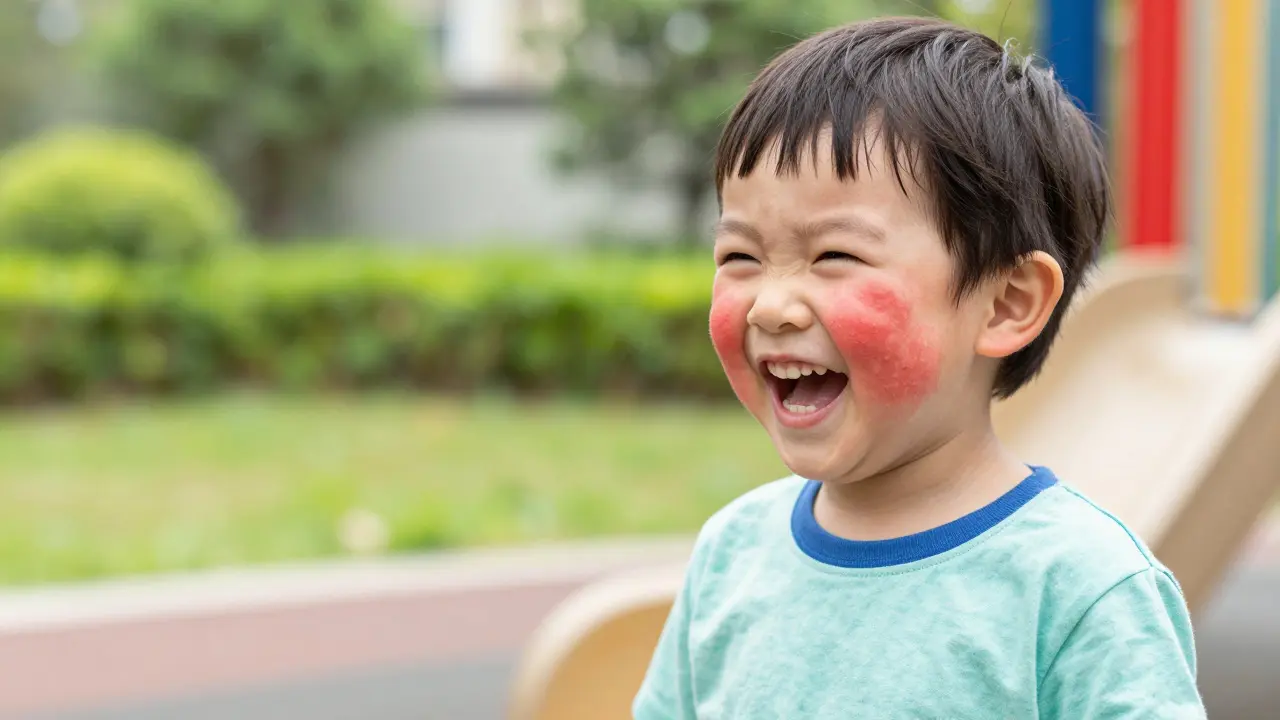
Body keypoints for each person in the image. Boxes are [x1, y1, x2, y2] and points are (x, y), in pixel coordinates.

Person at [633, 16, 1206, 719]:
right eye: (740, 257)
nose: (770, 305)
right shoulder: (733, 554)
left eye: (834, 257)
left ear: (1004, 304)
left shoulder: (1078, 588)